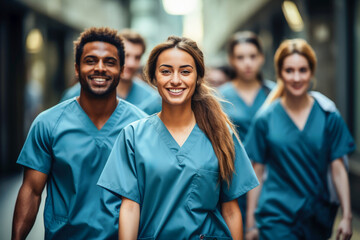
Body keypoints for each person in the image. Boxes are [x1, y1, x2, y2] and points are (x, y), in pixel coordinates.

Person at [97, 36, 259, 240]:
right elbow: (129, 208)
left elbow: (231, 210)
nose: (175, 80)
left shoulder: (220, 133)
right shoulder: (133, 136)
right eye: (165, 71)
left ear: (198, 77)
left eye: (185, 71)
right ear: (153, 78)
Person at [12, 27, 147, 240]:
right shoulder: (48, 124)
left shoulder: (141, 125)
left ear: (122, 70)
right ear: (77, 68)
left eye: (109, 62)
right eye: (90, 60)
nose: (100, 68)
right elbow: (31, 191)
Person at [245, 39, 355, 240]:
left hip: (317, 216)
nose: (296, 77)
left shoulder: (328, 115)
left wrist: (347, 216)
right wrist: (251, 225)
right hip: (276, 217)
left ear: (311, 72)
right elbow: (257, 171)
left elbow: (338, 167)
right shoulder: (265, 119)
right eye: (289, 71)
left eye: (302, 70)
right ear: (280, 73)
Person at [218, 31, 275, 229]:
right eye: (241, 57)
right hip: (233, 178)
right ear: (232, 60)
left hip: (272, 179)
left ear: (261, 57)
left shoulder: (274, 94)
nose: (247, 63)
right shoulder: (219, 97)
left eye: (252, 56)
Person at [60, 29, 161, 115]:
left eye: (137, 57)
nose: (131, 63)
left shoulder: (151, 99)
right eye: (126, 55)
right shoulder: (75, 95)